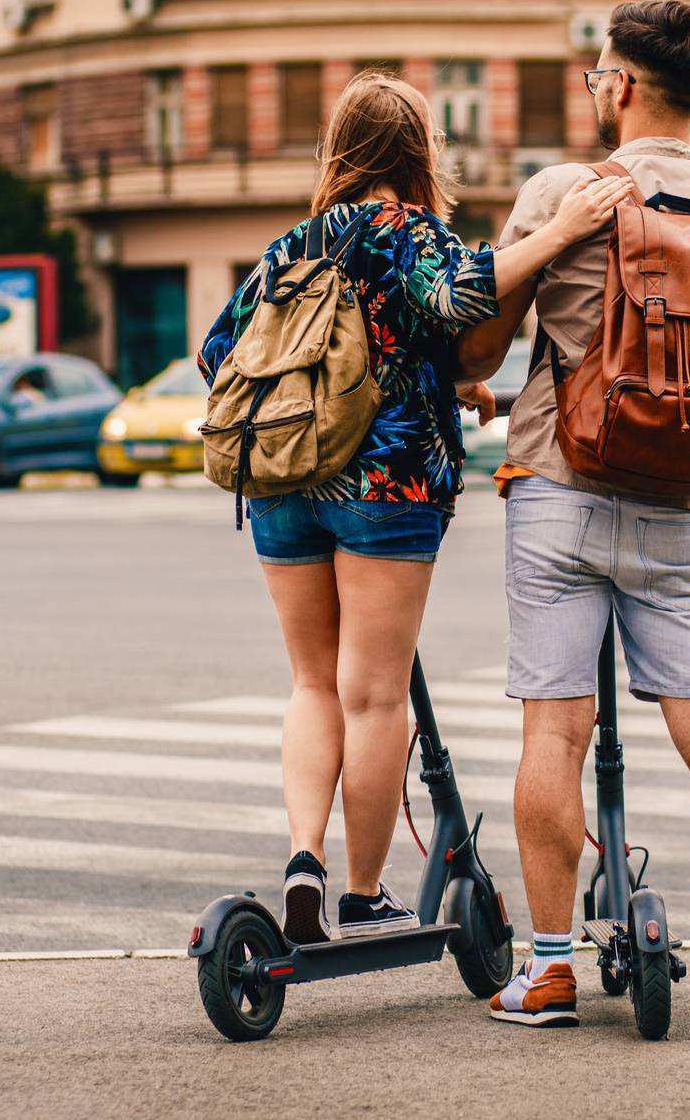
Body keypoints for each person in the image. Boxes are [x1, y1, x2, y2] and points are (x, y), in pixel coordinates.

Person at [197, 71, 635, 945]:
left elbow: (218, 352)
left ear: (340, 151)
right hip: (386, 486)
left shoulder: (295, 243)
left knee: (313, 685)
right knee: (372, 696)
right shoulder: (403, 228)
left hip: (282, 486)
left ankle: (303, 863)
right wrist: (561, 229)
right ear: (416, 153)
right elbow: (466, 292)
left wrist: (435, 378)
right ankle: (362, 892)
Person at [455, 0, 690, 1028]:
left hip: (557, 487)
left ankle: (551, 967)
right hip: (682, 502)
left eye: (598, 72)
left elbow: (481, 349)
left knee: (555, 731)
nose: (594, 85)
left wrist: (502, 373)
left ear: (624, 87)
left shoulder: (563, 193)